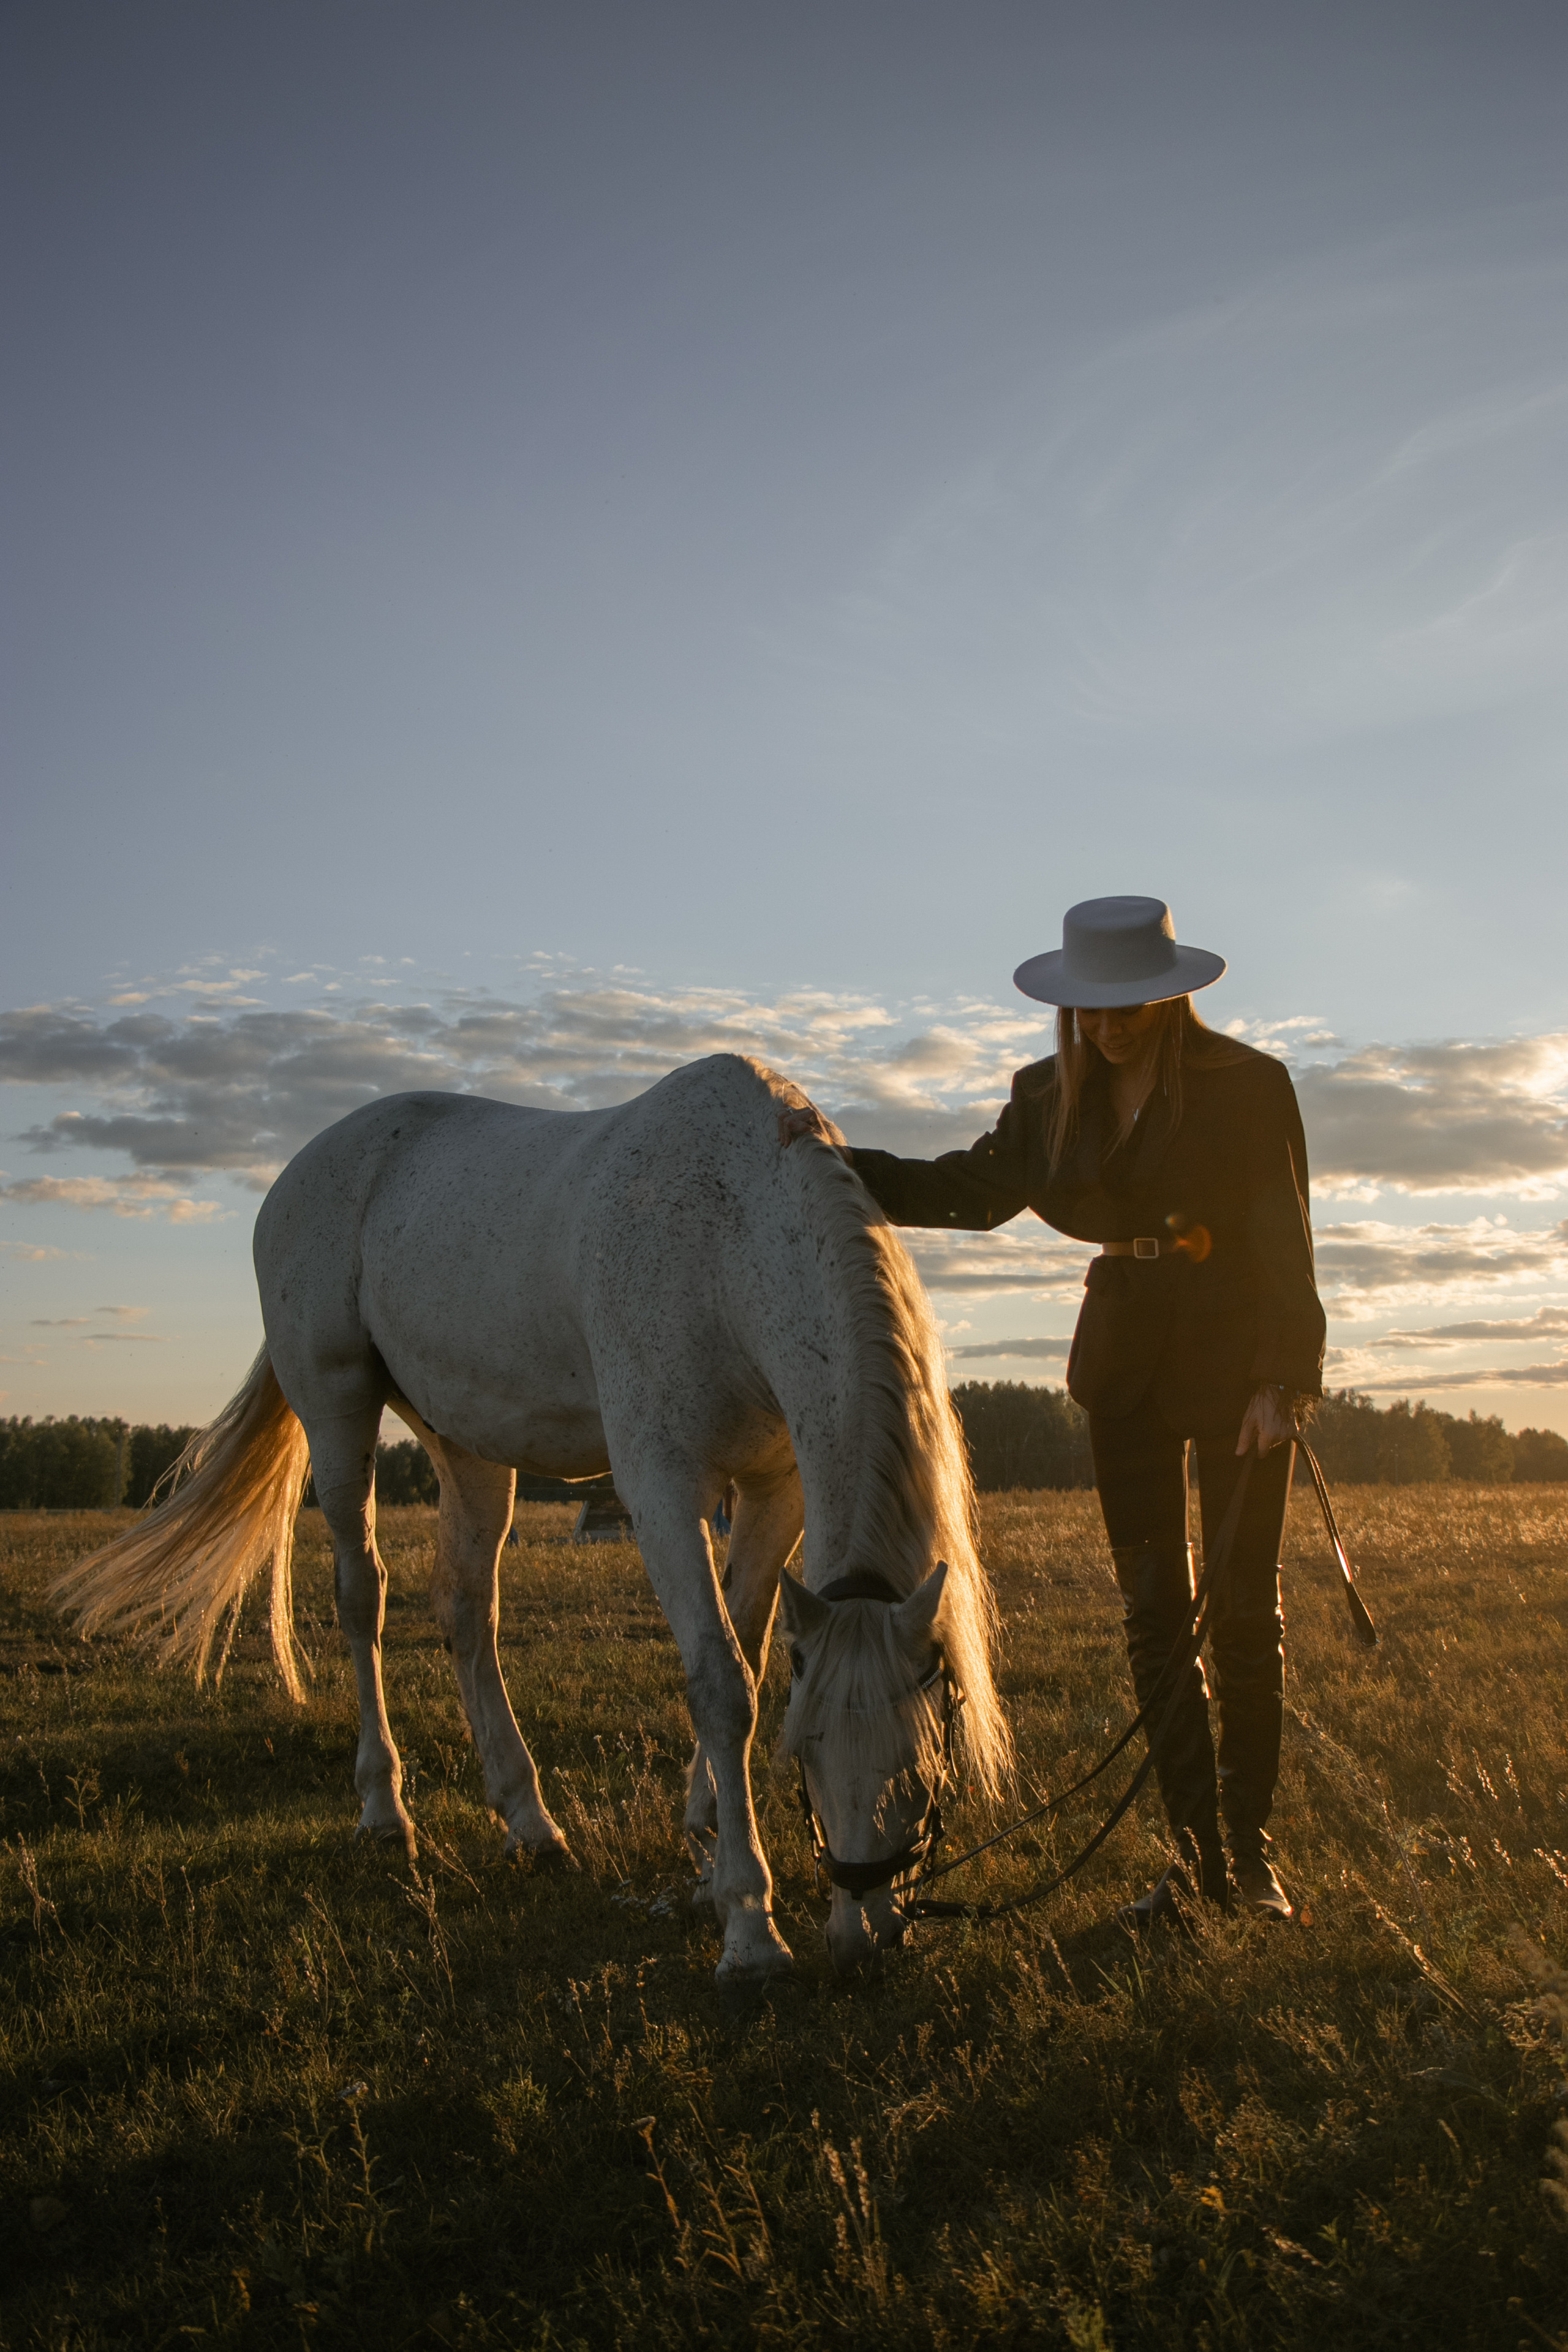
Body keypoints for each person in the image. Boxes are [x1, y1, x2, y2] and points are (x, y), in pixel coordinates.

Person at [778, 895, 1325, 1928]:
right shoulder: (1047, 1096)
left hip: (1239, 1363)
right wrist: (832, 1163)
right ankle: (1195, 1857)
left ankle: (1250, 1863)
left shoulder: (1249, 1087)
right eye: (1091, 1010)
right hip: (1124, 1365)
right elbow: (970, 1190)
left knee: (1246, 1615)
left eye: (1129, 1006)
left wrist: (1284, 1379)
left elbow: (1285, 1237)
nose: (1109, 1026)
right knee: (1156, 1619)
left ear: (1171, 996)